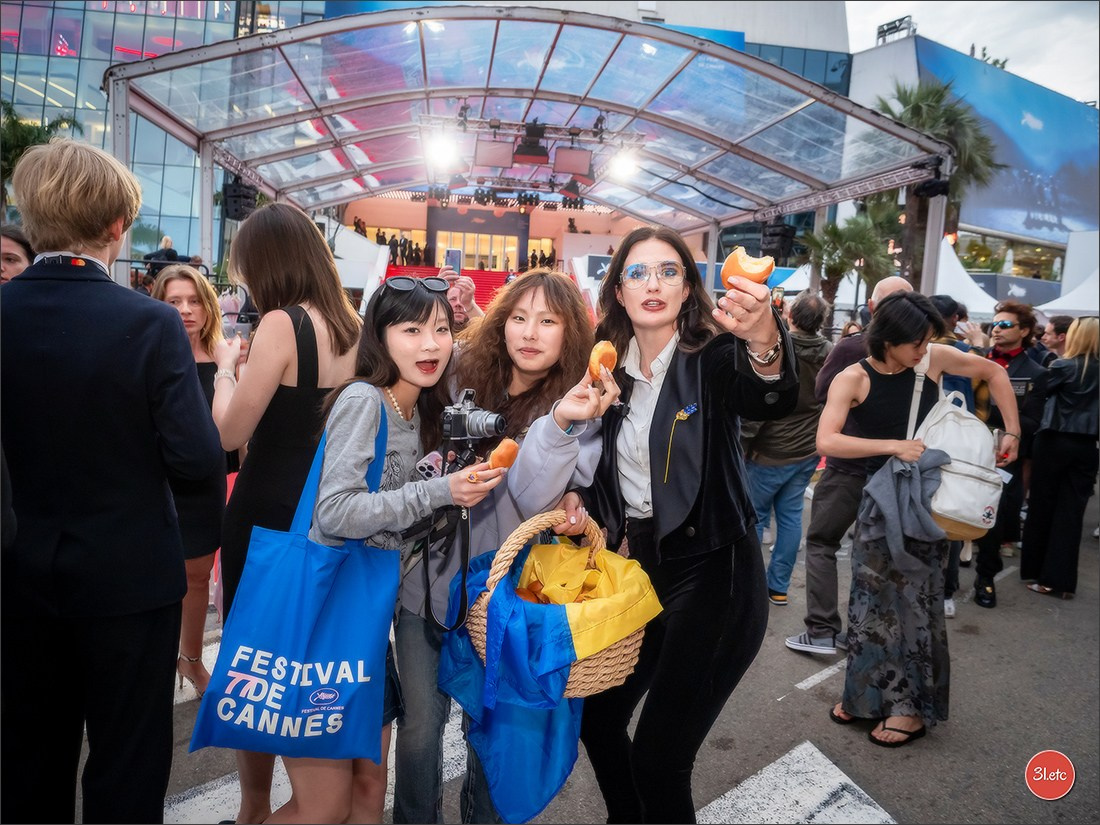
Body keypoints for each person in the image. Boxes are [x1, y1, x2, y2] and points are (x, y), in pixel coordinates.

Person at [1, 138, 223, 823]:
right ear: (117, 226)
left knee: (25, 762)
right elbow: (195, 459)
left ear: (29, 220)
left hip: (17, 576)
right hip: (130, 578)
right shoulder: (150, 322)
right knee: (127, 765)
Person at [571, 226, 798, 823]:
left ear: (688, 288)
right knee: (596, 719)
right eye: (639, 273)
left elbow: (771, 397)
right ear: (618, 291)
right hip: (639, 569)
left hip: (715, 571)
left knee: (660, 758)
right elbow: (593, 460)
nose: (654, 283)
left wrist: (765, 339)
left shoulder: (715, 353)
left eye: (669, 271)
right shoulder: (606, 367)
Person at [266, 277, 504, 824]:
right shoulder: (363, 401)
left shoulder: (418, 413)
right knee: (323, 807)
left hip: (368, 627)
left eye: (441, 330)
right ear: (379, 335)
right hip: (328, 621)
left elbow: (399, 518)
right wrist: (440, 491)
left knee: (370, 794)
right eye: (411, 329)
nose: (430, 345)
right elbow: (337, 511)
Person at [394, 269, 612, 825]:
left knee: (487, 734)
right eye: (518, 318)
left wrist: (561, 423)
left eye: (547, 321)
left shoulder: (580, 407)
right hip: (427, 583)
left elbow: (529, 494)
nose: (529, 333)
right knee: (419, 729)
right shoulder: (458, 371)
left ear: (571, 336)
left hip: (502, 599)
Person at [212, 202, 362, 825]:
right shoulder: (355, 327)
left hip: (266, 515)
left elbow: (229, 433)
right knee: (306, 664)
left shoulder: (281, 324)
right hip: (331, 519)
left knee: (254, 666)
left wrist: (226, 373)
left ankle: (253, 809)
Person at [819, 292, 1019, 747]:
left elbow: (994, 371)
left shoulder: (931, 359)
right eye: (915, 342)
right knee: (869, 602)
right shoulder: (853, 377)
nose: (922, 350)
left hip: (925, 501)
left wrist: (1013, 430)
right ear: (887, 339)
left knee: (913, 602)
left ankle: (909, 711)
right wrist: (893, 446)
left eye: (928, 341)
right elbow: (827, 441)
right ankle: (864, 697)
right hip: (879, 499)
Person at [785, 276, 913, 655]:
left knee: (824, 542)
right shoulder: (925, 354)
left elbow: (825, 392)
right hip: (895, 470)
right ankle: (865, 634)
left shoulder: (855, 350)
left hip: (853, 468)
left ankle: (825, 630)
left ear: (872, 308)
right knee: (873, 553)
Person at [151, 264, 235, 699]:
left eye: (193, 300)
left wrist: (229, 368)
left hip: (204, 483)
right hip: (153, 481)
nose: (185, 310)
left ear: (208, 305)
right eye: (174, 301)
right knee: (152, 577)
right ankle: (155, 661)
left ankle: (190, 659)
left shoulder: (223, 355)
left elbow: (233, 432)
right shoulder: (149, 350)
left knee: (199, 576)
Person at [742, 291, 832, 607]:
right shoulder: (829, 353)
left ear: (790, 316)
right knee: (791, 518)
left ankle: (748, 585)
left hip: (770, 451)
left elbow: (760, 406)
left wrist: (742, 447)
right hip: (808, 449)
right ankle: (777, 587)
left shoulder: (777, 350)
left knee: (752, 520)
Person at [971, 300, 1047, 607]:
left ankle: (986, 577)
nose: (997, 331)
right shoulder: (975, 359)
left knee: (995, 515)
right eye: (994, 324)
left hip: (1004, 454)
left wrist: (997, 424)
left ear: (1025, 331)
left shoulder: (1036, 372)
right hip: (967, 448)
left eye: (1005, 325)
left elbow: (1032, 421)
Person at [1020, 316, 1099, 599]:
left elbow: (1036, 395)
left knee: (1042, 509)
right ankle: (1060, 582)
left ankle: (1038, 572)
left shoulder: (1063, 366)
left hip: (1054, 442)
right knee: (1071, 515)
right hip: (1088, 447)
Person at [927, 294, 976, 620]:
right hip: (961, 444)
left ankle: (937, 590)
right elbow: (982, 403)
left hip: (926, 439)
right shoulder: (967, 352)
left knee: (928, 513)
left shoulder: (927, 350)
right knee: (952, 516)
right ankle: (946, 592)